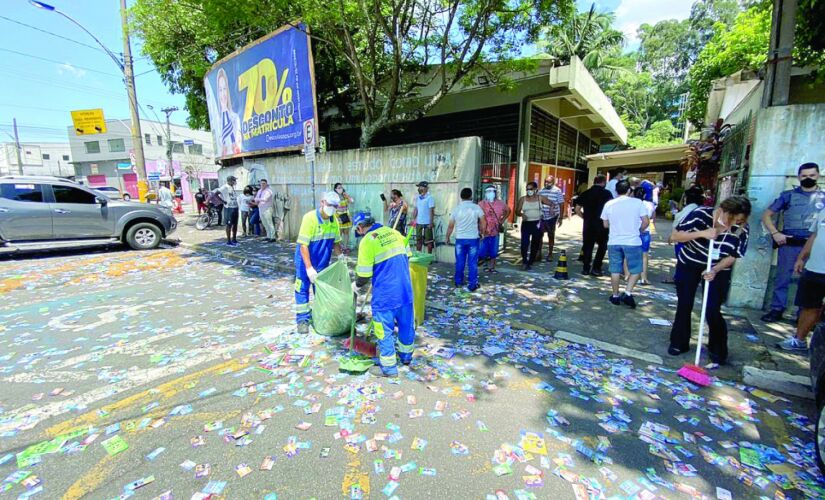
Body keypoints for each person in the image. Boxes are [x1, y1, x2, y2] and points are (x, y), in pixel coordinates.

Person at [668, 196, 751, 364]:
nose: (731, 224)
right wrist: (702, 233)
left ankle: (717, 349)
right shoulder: (700, 215)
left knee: (712, 308)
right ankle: (679, 342)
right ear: (722, 210)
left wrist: (714, 270)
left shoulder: (742, 229)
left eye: (738, 220)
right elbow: (675, 236)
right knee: (685, 302)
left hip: (718, 267)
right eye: (730, 218)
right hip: (690, 263)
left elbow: (734, 255)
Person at [352, 211, 414, 377]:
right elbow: (407, 258)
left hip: (385, 295)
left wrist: (355, 285)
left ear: (359, 227)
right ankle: (406, 356)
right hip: (405, 291)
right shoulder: (395, 233)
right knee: (406, 325)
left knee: (383, 330)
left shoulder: (367, 241)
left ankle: (389, 368)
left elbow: (364, 275)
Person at [760, 162, 824, 323]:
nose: (808, 178)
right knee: (782, 278)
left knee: (809, 282)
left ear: (818, 176)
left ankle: (802, 314)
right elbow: (766, 215)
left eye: (811, 175)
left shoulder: (823, 198)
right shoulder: (788, 196)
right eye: (804, 176)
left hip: (814, 247)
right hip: (790, 244)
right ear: (798, 177)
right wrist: (775, 233)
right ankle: (776, 309)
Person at [776, 208, 825, 352]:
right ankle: (799, 340)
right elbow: (814, 236)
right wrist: (801, 258)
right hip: (814, 267)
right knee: (808, 305)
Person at [294, 192, 343, 334]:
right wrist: (309, 268)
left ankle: (320, 316)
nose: (332, 209)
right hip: (305, 262)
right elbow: (303, 245)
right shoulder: (310, 218)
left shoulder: (335, 221)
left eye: (335, 206)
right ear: (322, 202)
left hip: (322, 262)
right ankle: (302, 320)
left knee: (321, 291)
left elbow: (336, 242)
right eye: (330, 205)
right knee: (302, 289)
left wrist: (340, 256)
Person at [600, 180, 650, 308]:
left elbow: (605, 224)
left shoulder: (609, 204)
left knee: (615, 269)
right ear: (629, 190)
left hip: (614, 240)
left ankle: (615, 295)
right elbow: (646, 221)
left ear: (616, 191)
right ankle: (628, 292)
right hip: (633, 241)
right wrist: (639, 230)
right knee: (636, 269)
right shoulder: (638, 203)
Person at [445, 188, 486, 291]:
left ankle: (458, 281)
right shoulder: (476, 208)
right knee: (472, 262)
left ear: (461, 196)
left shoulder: (456, 209)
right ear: (471, 196)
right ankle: (472, 284)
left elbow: (450, 226)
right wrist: (482, 232)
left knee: (460, 261)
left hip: (460, 239)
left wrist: (447, 237)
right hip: (473, 239)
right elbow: (483, 222)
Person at [574, 174, 613, 276]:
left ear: (594, 181)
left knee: (587, 246)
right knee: (602, 246)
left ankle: (586, 268)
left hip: (588, 224)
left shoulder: (586, 193)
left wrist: (584, 217)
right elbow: (611, 210)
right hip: (602, 225)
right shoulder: (607, 194)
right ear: (604, 182)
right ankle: (596, 267)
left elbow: (577, 209)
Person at [666, 185, 706, 283]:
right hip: (697, 240)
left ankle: (679, 279)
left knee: (682, 260)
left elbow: (678, 224)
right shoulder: (701, 209)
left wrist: (672, 236)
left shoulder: (689, 209)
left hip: (684, 239)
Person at [515, 181, 555, 271]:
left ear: (535, 190)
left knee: (535, 243)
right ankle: (525, 261)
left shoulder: (540, 198)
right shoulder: (523, 199)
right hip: (526, 223)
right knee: (524, 243)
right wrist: (521, 215)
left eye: (531, 189)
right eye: (527, 189)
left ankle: (531, 261)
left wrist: (551, 209)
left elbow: (552, 203)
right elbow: (517, 211)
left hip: (537, 223)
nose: (529, 191)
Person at [478, 185, 511, 273]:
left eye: (493, 191)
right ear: (485, 193)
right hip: (484, 231)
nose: (491, 193)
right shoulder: (481, 204)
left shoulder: (501, 203)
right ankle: (484, 263)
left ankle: (492, 266)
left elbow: (508, 210)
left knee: (494, 250)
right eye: (489, 191)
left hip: (495, 230)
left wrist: (502, 220)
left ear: (496, 193)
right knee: (482, 250)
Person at [632, 186, 656, 285]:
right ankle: (644, 277)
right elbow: (653, 218)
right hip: (645, 231)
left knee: (630, 254)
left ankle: (629, 275)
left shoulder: (631, 204)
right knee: (644, 255)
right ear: (645, 195)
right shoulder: (650, 204)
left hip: (632, 231)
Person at [216, 68, 242, 157]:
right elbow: (219, 145)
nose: (223, 94)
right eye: (220, 90)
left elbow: (238, 138)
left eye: (224, 88)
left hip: (237, 155)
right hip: (225, 158)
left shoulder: (235, 117)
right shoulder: (218, 121)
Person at [538, 175, 565, 262]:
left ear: (553, 182)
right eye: (545, 181)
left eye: (548, 182)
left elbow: (561, 203)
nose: (546, 183)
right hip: (542, 216)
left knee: (551, 234)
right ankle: (539, 252)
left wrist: (560, 217)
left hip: (552, 217)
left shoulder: (557, 191)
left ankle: (550, 253)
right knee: (539, 234)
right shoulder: (541, 191)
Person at [412, 181, 436, 254]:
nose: (419, 188)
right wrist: (413, 220)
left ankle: (429, 256)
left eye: (420, 187)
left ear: (425, 188)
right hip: (419, 222)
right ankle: (418, 255)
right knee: (418, 240)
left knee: (429, 241)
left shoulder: (430, 198)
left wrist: (431, 223)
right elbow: (416, 209)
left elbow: (431, 211)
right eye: (419, 187)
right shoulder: (418, 198)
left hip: (427, 222)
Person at [216, 176, 239, 246]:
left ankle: (234, 239)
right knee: (229, 225)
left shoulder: (232, 187)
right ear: (230, 181)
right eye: (234, 180)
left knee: (235, 224)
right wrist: (223, 201)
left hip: (235, 207)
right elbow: (215, 194)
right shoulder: (225, 187)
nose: (235, 182)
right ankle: (229, 240)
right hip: (229, 208)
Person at [334, 183, 354, 253]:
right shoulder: (334, 196)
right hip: (338, 216)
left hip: (345, 216)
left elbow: (352, 201)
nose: (340, 189)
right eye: (339, 188)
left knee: (346, 232)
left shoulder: (345, 195)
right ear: (336, 189)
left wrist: (347, 196)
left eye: (341, 187)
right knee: (339, 233)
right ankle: (339, 247)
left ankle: (345, 247)